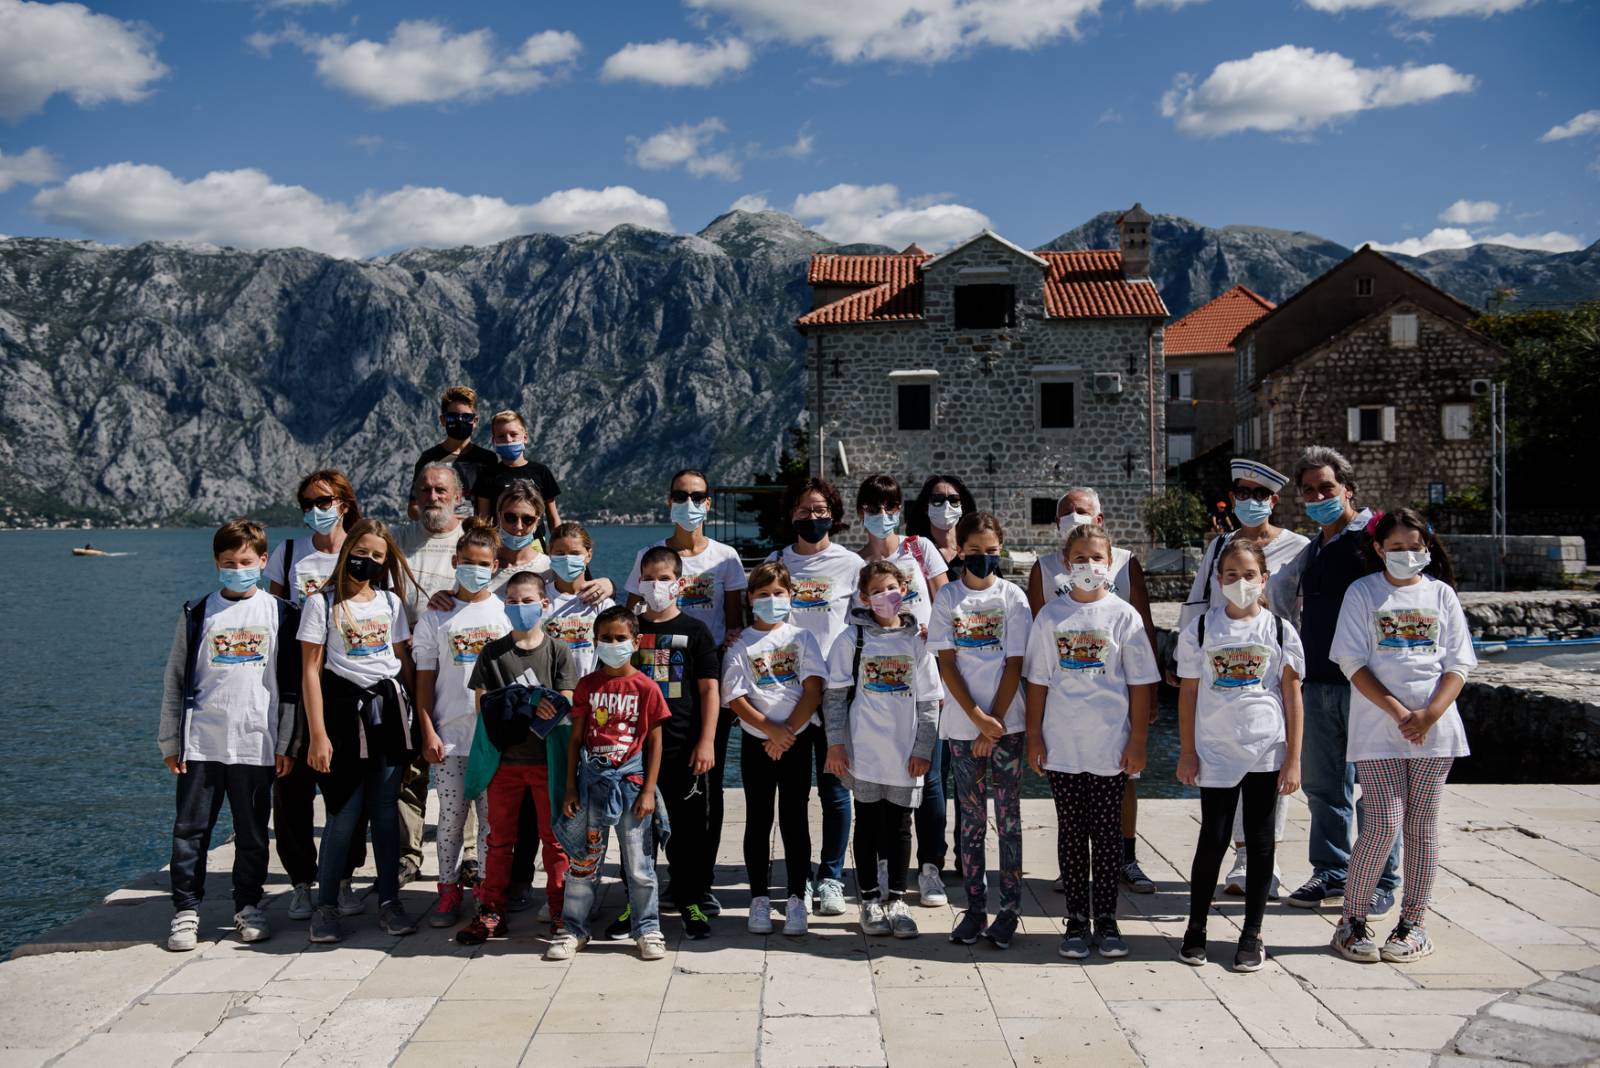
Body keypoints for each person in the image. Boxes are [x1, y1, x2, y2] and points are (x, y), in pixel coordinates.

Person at [1329, 509, 1473, 964]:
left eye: (1415, 547)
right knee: (1383, 822)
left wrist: (1429, 715)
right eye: (1397, 548)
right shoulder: (1363, 592)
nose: (1407, 555)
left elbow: (1458, 663)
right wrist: (1398, 712)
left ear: (1427, 548)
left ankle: (1413, 923)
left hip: (1435, 729)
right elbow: (1351, 661)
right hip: (1378, 728)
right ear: (1379, 549)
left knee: (1422, 825)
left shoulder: (1441, 594)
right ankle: (1352, 919)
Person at [1271, 447, 1401, 914]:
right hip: (1319, 680)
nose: (1318, 497)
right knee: (1325, 787)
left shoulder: (1374, 537)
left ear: (1348, 488)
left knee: (1377, 789)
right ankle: (1332, 871)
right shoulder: (1314, 548)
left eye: (1326, 488)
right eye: (1308, 491)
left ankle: (1381, 878)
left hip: (1368, 682)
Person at [159, 519, 298, 951]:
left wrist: (286, 743)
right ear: (216, 563)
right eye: (228, 562)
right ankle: (185, 910)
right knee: (190, 831)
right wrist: (171, 742)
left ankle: (248, 905)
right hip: (201, 743)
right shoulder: (198, 612)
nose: (237, 569)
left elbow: (290, 688)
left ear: (262, 561)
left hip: (256, 742)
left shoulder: (280, 613)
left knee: (252, 833)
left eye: (245, 561)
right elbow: (175, 679)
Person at [1025, 522, 1160, 961]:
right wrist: (1034, 736)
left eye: (1096, 558)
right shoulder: (1051, 616)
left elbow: (1140, 683)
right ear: (1066, 564)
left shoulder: (1124, 616)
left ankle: (1107, 920)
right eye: (1080, 558)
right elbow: (1038, 681)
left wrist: (1138, 740)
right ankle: (1076, 921)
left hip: (1110, 746)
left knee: (1105, 836)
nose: (1088, 565)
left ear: (1110, 563)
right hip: (1063, 745)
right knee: (1071, 833)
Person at [1179, 460, 1311, 900]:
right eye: (1242, 493)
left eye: (1259, 494)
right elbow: (1199, 600)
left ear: (1273, 500)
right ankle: (1239, 855)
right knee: (1227, 762)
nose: (1250, 501)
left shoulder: (1299, 547)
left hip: (1275, 664)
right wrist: (1181, 657)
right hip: (1221, 664)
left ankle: (1263, 857)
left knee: (1270, 764)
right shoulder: (1220, 546)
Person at [1175, 538, 1305, 973]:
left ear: (1264, 579)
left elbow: (1292, 696)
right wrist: (1187, 751)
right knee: (1212, 838)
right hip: (1215, 749)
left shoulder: (1279, 630)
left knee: (1261, 840)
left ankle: (1252, 933)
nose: (1241, 582)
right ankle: (1196, 928)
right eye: (1232, 574)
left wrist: (1293, 759)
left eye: (1249, 575)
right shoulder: (1201, 629)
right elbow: (1188, 693)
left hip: (1265, 748)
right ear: (1218, 579)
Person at [623, 468, 748, 915]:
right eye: (681, 495)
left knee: (703, 788)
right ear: (669, 501)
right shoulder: (648, 556)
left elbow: (733, 623)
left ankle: (698, 881)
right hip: (655, 685)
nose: (689, 503)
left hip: (705, 682)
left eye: (697, 496)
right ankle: (652, 880)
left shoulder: (726, 557)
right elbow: (628, 619)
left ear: (708, 503)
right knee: (647, 783)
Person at [298, 519, 420, 943]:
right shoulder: (322, 604)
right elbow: (310, 671)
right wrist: (317, 734)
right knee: (343, 812)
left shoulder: (390, 602)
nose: (366, 561)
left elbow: (403, 661)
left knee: (385, 811)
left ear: (386, 563)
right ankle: (326, 905)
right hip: (343, 717)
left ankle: (389, 900)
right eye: (361, 552)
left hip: (388, 715)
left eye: (377, 556)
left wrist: (418, 720)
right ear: (347, 549)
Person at [605, 546, 720, 942]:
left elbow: (709, 690)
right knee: (636, 832)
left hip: (682, 748)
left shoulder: (696, 631)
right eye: (649, 579)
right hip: (634, 752)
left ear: (679, 583)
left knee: (688, 832)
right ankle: (635, 903)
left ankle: (690, 900)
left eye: (664, 578)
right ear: (638, 583)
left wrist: (706, 741)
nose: (656, 585)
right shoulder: (629, 631)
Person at [266, 470, 366, 921]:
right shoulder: (289, 554)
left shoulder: (361, 552)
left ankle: (342, 878)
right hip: (294, 688)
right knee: (291, 792)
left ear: (344, 502)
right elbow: (271, 620)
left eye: (323, 501)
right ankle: (301, 882)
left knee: (347, 789)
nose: (315, 510)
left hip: (346, 689)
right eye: (307, 503)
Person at [457, 570, 577, 946]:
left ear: (544, 603)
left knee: (554, 840)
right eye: (512, 601)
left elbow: (566, 700)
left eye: (527, 601)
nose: (520, 607)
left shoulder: (558, 651)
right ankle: (492, 910)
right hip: (504, 763)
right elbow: (483, 706)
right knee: (498, 841)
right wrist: (528, 701)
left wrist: (529, 703)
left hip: (547, 762)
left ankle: (560, 909)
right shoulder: (492, 653)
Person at [823, 561, 942, 939]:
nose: (885, 596)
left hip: (905, 754)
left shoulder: (916, 642)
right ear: (863, 597)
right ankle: (870, 899)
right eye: (876, 591)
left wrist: (924, 749)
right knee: (868, 824)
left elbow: (929, 701)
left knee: (901, 827)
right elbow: (835, 697)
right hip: (865, 754)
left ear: (904, 588)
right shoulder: (851, 639)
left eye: (891, 588)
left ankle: (898, 900)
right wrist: (836, 744)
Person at [929, 511, 1031, 949]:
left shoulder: (1013, 597)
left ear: (1000, 550)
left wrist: (994, 723)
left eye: (991, 551)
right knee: (970, 820)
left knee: (1008, 820)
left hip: (1007, 725)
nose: (983, 558)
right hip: (962, 726)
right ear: (960, 552)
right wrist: (976, 718)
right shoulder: (948, 597)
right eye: (975, 551)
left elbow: (1015, 663)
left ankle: (1009, 910)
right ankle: (974, 908)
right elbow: (947, 663)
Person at [764, 477, 864, 917]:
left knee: (835, 790)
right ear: (791, 515)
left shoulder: (850, 564)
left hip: (836, 691)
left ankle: (831, 877)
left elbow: (862, 625)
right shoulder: (777, 562)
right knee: (792, 795)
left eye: (820, 509)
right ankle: (798, 880)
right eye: (804, 510)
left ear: (833, 514)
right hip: (787, 693)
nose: (812, 517)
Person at [550, 606, 672, 962]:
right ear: (595, 641)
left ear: (635, 642)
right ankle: (574, 928)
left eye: (621, 638)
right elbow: (575, 740)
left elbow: (655, 742)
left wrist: (649, 791)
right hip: (591, 787)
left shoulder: (647, 687)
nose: (613, 644)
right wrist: (571, 788)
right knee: (583, 862)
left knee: (639, 865)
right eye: (606, 638)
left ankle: (647, 928)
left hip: (631, 787)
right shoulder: (588, 686)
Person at [856, 474, 951, 907]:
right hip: (879, 687)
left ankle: (930, 867)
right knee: (880, 778)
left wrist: (937, 635)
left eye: (890, 506)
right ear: (861, 513)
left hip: (924, 674)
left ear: (899, 509)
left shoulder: (919, 549)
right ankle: (882, 865)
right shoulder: (857, 563)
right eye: (874, 507)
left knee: (928, 776)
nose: (882, 514)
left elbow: (947, 602)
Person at [411, 519, 508, 929]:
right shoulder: (437, 616)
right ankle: (448, 889)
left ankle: (487, 891)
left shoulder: (504, 613)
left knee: (491, 823)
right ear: (455, 561)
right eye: (467, 561)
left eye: (483, 563)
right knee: (450, 821)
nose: (475, 568)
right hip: (449, 737)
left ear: (495, 565)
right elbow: (424, 680)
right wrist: (427, 730)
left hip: (492, 740)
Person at [723, 562, 825, 937]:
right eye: (763, 594)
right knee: (759, 818)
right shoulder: (740, 644)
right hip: (758, 742)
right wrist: (770, 730)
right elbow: (735, 697)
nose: (771, 600)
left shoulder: (802, 638)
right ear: (750, 599)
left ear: (790, 596)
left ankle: (796, 896)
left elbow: (813, 690)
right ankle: (759, 898)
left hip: (796, 740)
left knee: (795, 819)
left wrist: (787, 732)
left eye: (779, 593)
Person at [393, 463, 472, 887]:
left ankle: (470, 854)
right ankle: (408, 854)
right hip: (406, 667)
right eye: (424, 490)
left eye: (441, 490)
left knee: (463, 760)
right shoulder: (398, 540)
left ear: (458, 495)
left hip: (458, 670)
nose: (433, 497)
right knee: (410, 766)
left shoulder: (471, 539)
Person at [408, 385, 497, 520]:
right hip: (438, 530)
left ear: (475, 421)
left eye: (466, 417)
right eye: (452, 417)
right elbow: (413, 508)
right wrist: (441, 519)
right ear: (443, 420)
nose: (459, 421)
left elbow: (492, 507)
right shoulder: (429, 458)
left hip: (474, 531)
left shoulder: (487, 460)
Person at [473, 410, 562, 541]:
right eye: (501, 436)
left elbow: (553, 518)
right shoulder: (487, 475)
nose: (508, 440)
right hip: (500, 546)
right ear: (494, 440)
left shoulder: (541, 472)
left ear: (525, 437)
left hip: (535, 546)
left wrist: (560, 545)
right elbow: (483, 520)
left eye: (513, 434)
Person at [544, 521, 617, 678]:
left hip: (590, 688)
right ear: (550, 553)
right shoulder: (540, 599)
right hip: (548, 690)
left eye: (575, 553)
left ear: (588, 555)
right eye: (560, 553)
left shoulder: (603, 603)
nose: (567, 559)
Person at [905, 474, 978, 577]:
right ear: (926, 507)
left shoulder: (974, 551)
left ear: (962, 507)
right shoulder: (915, 551)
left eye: (954, 500)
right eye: (937, 499)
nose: (946, 505)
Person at [487, 480, 552, 590]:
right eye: (510, 517)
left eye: (527, 519)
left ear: (537, 522)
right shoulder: (480, 565)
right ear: (499, 516)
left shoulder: (549, 569)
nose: (518, 526)